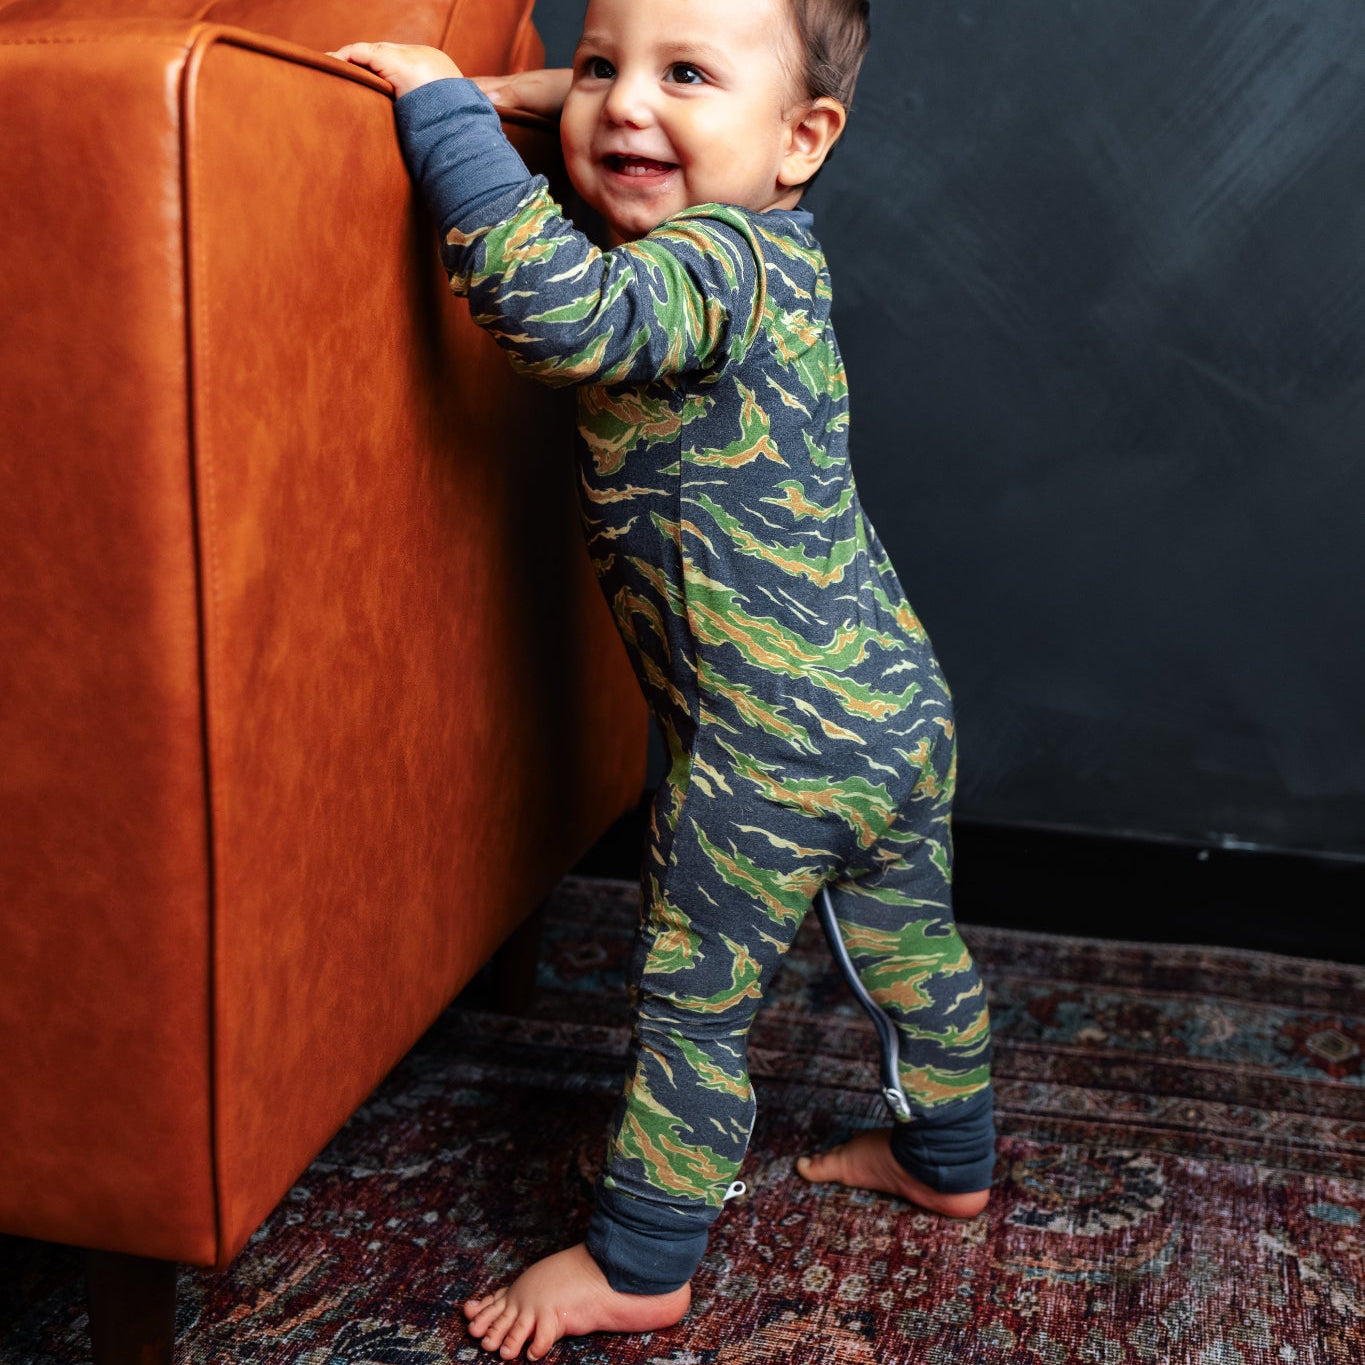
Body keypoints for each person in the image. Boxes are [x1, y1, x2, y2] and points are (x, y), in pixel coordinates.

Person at [332, 1, 994, 1357]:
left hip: (766, 750)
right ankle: (948, 1153)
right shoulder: (780, 252)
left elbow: (559, 314)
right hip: (890, 702)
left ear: (801, 139)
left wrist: (446, 108)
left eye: (684, 73)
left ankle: (638, 1261)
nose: (626, 105)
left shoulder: (709, 262)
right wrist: (556, 93)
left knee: (688, 1005)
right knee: (911, 947)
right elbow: (635, 111)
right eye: (600, 65)